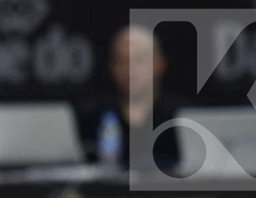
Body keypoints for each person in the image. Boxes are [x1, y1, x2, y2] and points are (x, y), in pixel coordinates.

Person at [75, 27, 187, 171]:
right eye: (121, 61)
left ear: (159, 63)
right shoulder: (91, 115)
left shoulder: (182, 116)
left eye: (139, 60)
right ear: (111, 67)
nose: (130, 70)